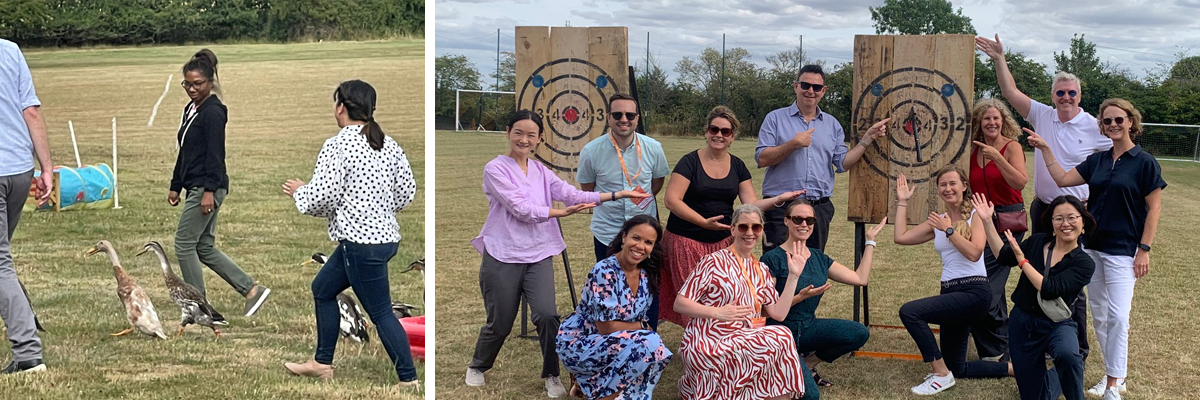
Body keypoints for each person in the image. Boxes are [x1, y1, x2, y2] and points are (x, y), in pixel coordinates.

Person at [466, 110, 650, 398]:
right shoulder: (495, 169)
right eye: (518, 133)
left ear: (539, 139)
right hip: (503, 254)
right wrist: (559, 212)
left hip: (538, 253)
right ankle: (479, 364)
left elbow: (572, 193)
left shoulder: (540, 171)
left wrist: (619, 194)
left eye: (531, 135)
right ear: (508, 132)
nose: (524, 139)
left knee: (548, 315)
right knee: (500, 322)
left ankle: (552, 373)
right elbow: (521, 208)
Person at [977, 34, 1112, 361]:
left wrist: (1096, 202)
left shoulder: (1094, 125)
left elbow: (1114, 161)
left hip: (1075, 212)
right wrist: (999, 58)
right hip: (1042, 209)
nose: (1066, 97)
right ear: (1052, 96)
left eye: (1072, 93)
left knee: (1069, 280)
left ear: (1080, 96)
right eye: (1060, 92)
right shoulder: (1041, 115)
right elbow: (1009, 93)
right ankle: (1038, 337)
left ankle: (1075, 347)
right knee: (1035, 270)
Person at [281, 80, 419, 386]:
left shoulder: (338, 145)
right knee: (322, 289)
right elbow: (406, 191)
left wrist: (300, 192)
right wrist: (379, 209)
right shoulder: (388, 143)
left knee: (381, 311)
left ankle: (409, 380)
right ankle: (321, 363)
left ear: (340, 107)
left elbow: (323, 197)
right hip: (381, 239)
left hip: (360, 245)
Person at [1026, 98, 1165, 400]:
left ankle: (1114, 384)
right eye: (1107, 121)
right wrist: (1046, 149)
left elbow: (1154, 208)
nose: (1113, 125)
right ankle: (1112, 374)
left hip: (1124, 251)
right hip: (1093, 248)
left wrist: (1144, 248)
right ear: (1101, 126)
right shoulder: (1098, 161)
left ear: (1131, 121)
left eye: (1118, 120)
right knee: (1100, 316)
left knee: (1118, 316)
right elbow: (1063, 179)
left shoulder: (1144, 162)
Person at [658, 106, 804, 328]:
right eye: (714, 129)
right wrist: (702, 222)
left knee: (723, 297)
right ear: (706, 132)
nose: (719, 135)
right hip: (686, 241)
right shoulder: (689, 162)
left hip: (723, 243)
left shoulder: (737, 165)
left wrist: (779, 199)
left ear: (732, 137)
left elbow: (751, 204)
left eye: (725, 131)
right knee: (694, 300)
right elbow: (672, 200)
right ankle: (699, 346)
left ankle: (724, 343)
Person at [168, 49, 271, 316]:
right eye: (187, 84)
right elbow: (185, 150)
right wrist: (175, 185)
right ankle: (251, 290)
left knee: (184, 243)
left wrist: (209, 192)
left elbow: (216, 154)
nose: (191, 89)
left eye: (197, 84)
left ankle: (198, 305)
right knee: (202, 246)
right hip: (195, 185)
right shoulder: (191, 109)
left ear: (210, 83)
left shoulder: (213, 112)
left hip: (207, 186)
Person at [893, 166, 1012, 395]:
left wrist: (949, 231)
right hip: (950, 294)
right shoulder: (940, 220)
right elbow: (901, 237)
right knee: (957, 367)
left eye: (952, 183)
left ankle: (940, 373)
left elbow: (975, 252)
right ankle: (1011, 369)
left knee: (910, 312)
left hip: (974, 293)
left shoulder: (976, 215)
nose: (948, 189)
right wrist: (902, 202)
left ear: (964, 186)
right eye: (943, 185)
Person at [674, 204, 807, 400]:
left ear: (762, 230)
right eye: (744, 227)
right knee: (781, 336)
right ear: (733, 229)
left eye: (756, 227)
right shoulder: (712, 262)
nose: (750, 233)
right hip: (710, 338)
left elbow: (778, 313)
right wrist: (717, 312)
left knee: (782, 335)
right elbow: (680, 303)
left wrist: (794, 276)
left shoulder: (761, 269)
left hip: (746, 334)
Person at [755, 64, 890, 252]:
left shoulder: (832, 124)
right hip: (781, 209)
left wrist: (867, 139)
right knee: (778, 268)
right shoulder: (775, 119)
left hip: (817, 210)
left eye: (816, 87)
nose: (810, 91)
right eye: (805, 85)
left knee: (813, 268)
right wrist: (793, 144)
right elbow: (762, 159)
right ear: (796, 86)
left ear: (823, 91)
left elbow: (842, 163)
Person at [760, 200, 886, 399]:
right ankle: (780, 365)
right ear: (786, 221)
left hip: (808, 328)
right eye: (797, 219)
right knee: (810, 396)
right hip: (779, 333)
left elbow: (860, 279)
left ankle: (808, 363)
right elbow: (763, 310)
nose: (804, 224)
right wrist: (799, 298)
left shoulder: (818, 257)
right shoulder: (772, 259)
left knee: (858, 333)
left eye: (809, 220)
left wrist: (870, 241)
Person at [975, 193, 1095, 400]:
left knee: (1068, 356)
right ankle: (1053, 380)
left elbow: (1049, 288)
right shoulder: (1038, 241)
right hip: (1023, 323)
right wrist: (987, 221)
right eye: (1059, 218)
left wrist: (1023, 262)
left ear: (1082, 221)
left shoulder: (1084, 263)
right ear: (1052, 222)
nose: (1065, 223)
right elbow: (1004, 256)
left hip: (1057, 323)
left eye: (1072, 217)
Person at [577, 93, 669, 331]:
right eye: (618, 114)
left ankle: (648, 341)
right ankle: (613, 343)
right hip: (608, 232)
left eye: (630, 115)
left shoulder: (653, 148)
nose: (624, 119)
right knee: (610, 290)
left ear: (637, 118)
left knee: (649, 287)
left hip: (645, 235)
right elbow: (588, 190)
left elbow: (657, 183)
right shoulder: (591, 150)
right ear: (609, 117)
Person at [556, 215, 673, 400]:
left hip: (619, 341)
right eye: (636, 238)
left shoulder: (646, 273)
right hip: (581, 342)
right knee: (650, 345)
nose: (641, 246)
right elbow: (606, 328)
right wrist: (642, 327)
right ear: (624, 237)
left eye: (648, 242)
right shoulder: (604, 271)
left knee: (650, 349)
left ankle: (590, 389)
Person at [0, 38, 51, 374]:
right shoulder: (10, 50)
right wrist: (46, 167)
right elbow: (30, 111)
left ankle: (28, 351)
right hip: (19, 169)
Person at [967, 98, 1029, 362]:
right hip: (981, 219)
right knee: (986, 282)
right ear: (978, 123)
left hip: (1008, 221)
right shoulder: (972, 149)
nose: (992, 123)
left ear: (1004, 121)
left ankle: (995, 350)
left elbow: (1021, 182)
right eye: (986, 118)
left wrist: (997, 158)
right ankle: (997, 347)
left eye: (996, 118)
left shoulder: (1011, 147)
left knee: (987, 286)